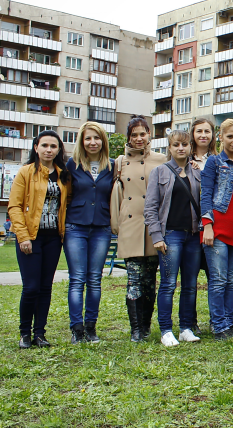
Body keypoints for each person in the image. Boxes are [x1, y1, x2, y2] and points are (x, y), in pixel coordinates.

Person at [9, 131, 70, 349]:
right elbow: (14, 206)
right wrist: (23, 236)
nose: (48, 150)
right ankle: (25, 333)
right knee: (31, 287)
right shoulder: (25, 172)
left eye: (53, 146)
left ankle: (40, 333)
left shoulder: (63, 175)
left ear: (58, 149)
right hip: (31, 238)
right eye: (44, 145)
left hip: (53, 238)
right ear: (36, 148)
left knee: (45, 287)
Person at [143, 130, 203, 346]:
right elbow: (150, 207)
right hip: (170, 235)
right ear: (169, 148)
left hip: (193, 236)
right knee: (168, 284)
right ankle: (166, 330)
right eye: (176, 144)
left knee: (190, 284)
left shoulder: (197, 172)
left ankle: (186, 327)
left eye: (184, 144)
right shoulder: (159, 172)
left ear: (190, 148)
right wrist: (156, 236)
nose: (180, 148)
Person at [111, 115, 167, 342]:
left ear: (149, 134)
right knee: (134, 279)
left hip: (154, 228)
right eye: (134, 135)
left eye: (142, 134)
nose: (139, 138)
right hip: (130, 226)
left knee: (150, 280)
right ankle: (136, 330)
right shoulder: (120, 162)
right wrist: (116, 223)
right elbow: (116, 194)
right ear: (128, 137)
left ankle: (146, 325)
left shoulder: (162, 159)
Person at [200, 118, 233, 344]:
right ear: (220, 137)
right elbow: (205, 194)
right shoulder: (214, 162)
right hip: (217, 228)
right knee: (219, 280)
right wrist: (207, 225)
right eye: (230, 136)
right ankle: (219, 326)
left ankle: (228, 323)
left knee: (231, 280)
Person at [64, 122, 114, 344]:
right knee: (77, 279)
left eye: (97, 138)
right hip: (75, 226)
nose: (93, 142)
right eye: (88, 138)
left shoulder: (112, 166)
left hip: (101, 227)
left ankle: (91, 327)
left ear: (103, 141)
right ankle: (77, 329)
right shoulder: (72, 165)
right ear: (81, 141)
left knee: (94, 278)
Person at [187, 116, 218, 334]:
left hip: (213, 226)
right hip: (189, 225)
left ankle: (217, 320)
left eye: (207, 131)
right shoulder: (183, 158)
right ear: (193, 134)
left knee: (214, 276)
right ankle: (190, 321)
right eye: (199, 131)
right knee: (190, 278)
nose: (203, 135)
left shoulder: (218, 159)